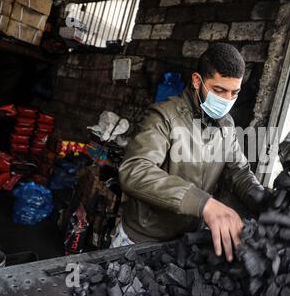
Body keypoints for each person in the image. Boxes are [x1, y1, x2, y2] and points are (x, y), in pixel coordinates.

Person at [112, 43, 267, 262]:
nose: (227, 100)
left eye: (234, 93)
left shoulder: (226, 125)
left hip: (184, 243)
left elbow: (239, 171)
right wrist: (203, 203)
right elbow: (135, 170)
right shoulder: (165, 117)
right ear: (197, 81)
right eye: (219, 90)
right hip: (141, 240)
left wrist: (264, 201)